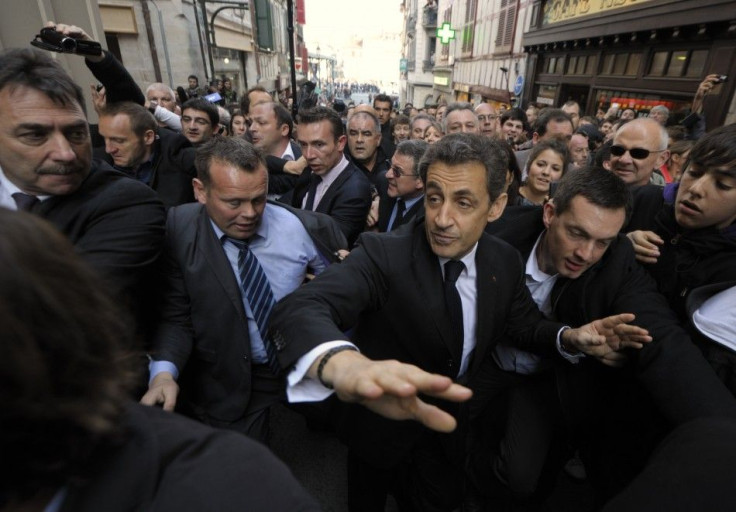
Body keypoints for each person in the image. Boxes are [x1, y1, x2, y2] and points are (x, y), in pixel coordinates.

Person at [271, 133, 651, 512]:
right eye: (435, 197)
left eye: (464, 202)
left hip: (448, 430)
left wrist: (570, 338)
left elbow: (522, 323)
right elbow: (303, 307)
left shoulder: (502, 261)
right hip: (378, 431)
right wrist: (340, 360)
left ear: (496, 206)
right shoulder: (383, 254)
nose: (442, 218)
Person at [0, 209, 322, 512]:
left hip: (293, 361)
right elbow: (176, 316)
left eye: (258, 199)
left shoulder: (300, 226)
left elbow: (332, 282)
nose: (250, 213)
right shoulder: (180, 228)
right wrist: (164, 373)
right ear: (201, 191)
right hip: (230, 376)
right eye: (234, 202)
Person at [477, 165, 736, 507]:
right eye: (577, 233)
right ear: (550, 213)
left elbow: (663, 339)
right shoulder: (497, 232)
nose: (586, 254)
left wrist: (723, 435)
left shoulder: (617, 263)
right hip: (482, 358)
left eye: (602, 242)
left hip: (546, 380)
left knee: (521, 477)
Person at [0, 47, 165, 344]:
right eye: (35, 135)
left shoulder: (129, 204)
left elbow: (58, 323)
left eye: (76, 133)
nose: (65, 154)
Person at [626, 124, 736, 396]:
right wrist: (613, 242)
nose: (696, 189)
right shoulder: (641, 202)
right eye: (694, 172)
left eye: (722, 184)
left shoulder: (730, 273)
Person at [281, 107, 373, 246]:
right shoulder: (311, 170)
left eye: (319, 144)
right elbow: (288, 203)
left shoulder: (355, 189)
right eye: (303, 144)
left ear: (340, 143)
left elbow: (327, 244)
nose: (309, 155)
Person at [96, 101, 197, 207]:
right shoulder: (98, 165)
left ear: (148, 137)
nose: (109, 149)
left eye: (118, 140)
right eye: (104, 139)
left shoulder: (182, 161)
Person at [372, 139, 427, 232]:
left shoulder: (426, 215)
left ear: (420, 180)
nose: (388, 175)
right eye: (389, 165)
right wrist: (374, 198)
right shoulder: (384, 183)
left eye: (397, 172)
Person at [609, 118, 668, 188]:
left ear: (661, 159)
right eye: (618, 150)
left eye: (638, 153)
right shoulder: (593, 190)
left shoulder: (663, 198)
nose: (624, 159)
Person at [515, 108, 574, 174]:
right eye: (557, 139)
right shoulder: (514, 161)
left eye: (568, 139)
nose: (563, 145)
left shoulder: (574, 174)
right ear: (536, 138)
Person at [516, 139, 569, 205]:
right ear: (529, 166)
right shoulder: (509, 196)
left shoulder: (561, 209)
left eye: (555, 169)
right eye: (540, 164)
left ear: (562, 175)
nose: (546, 172)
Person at [346, 110, 389, 188]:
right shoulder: (338, 168)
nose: (359, 140)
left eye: (366, 134)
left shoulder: (391, 163)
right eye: (353, 133)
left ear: (378, 139)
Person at [373, 93, 396, 158]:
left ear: (390, 112)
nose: (381, 114)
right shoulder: (365, 130)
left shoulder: (395, 133)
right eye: (377, 109)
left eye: (385, 110)